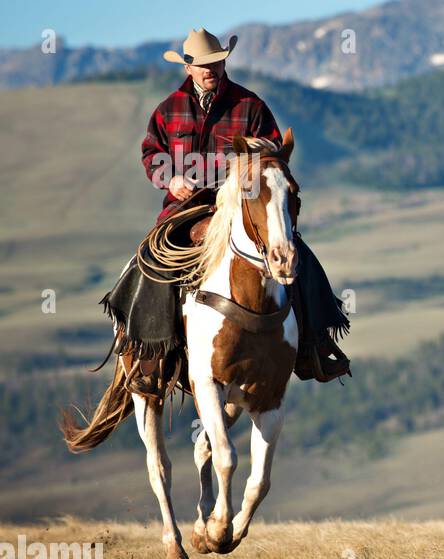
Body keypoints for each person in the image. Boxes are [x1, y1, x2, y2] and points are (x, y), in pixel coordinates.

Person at [114, 27, 350, 395]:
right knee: (151, 263)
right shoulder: (168, 110)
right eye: (203, 64)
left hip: (243, 209)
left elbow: (272, 156)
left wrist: (253, 168)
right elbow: (151, 154)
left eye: (216, 61)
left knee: (297, 256)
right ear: (188, 67)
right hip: (184, 210)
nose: (211, 69)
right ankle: (149, 356)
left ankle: (313, 346)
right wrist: (172, 179)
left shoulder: (250, 106)